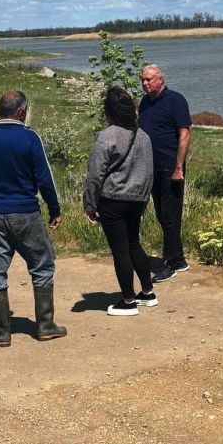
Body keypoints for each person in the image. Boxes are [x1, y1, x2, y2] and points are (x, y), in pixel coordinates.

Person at [0, 91, 67, 346]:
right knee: (42, 266)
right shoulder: (29, 137)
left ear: (0, 110)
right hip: (25, 213)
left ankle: (1, 332)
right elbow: (44, 178)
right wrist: (54, 209)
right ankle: (45, 325)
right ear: (21, 112)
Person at [83, 87, 157, 316]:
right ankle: (147, 292)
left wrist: (90, 203)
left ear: (109, 110)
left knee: (120, 250)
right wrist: (144, 197)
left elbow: (95, 173)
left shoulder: (107, 135)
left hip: (112, 198)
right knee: (134, 244)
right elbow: (149, 171)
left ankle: (128, 301)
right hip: (137, 198)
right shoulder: (143, 136)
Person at [138, 65, 192, 284]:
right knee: (162, 214)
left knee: (171, 216)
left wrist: (178, 168)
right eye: (142, 80)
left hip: (171, 169)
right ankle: (178, 259)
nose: (145, 83)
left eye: (149, 79)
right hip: (152, 168)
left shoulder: (175, 100)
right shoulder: (145, 103)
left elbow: (185, 134)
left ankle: (169, 264)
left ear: (161, 79)